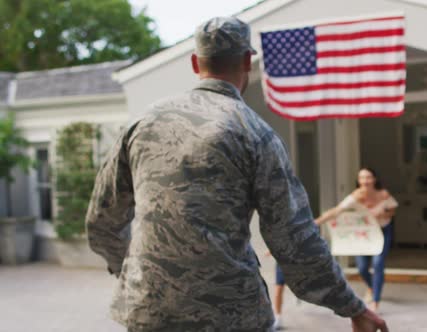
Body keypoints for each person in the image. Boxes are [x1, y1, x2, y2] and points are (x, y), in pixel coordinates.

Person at [85, 16, 388, 332]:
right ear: (247, 61)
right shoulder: (256, 133)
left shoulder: (142, 123)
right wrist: (352, 307)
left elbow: (101, 220)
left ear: (195, 63)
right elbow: (294, 238)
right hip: (230, 315)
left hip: (147, 309)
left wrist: (136, 271)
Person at [315, 168, 398, 312]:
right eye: (362, 178)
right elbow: (336, 211)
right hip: (365, 234)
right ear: (358, 181)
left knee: (378, 264)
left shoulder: (383, 194)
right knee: (362, 268)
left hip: (382, 231)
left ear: (374, 179)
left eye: (368, 177)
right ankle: (372, 287)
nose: (365, 181)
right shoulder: (356, 196)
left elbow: (393, 210)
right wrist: (315, 222)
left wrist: (383, 212)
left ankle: (375, 301)